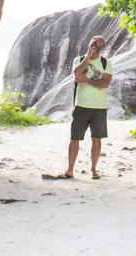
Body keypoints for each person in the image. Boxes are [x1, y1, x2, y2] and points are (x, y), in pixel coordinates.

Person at [43, 34, 113, 180]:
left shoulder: (106, 63)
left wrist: (86, 80)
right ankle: (69, 170)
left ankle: (94, 169)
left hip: (99, 107)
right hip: (81, 105)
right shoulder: (79, 60)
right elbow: (76, 72)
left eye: (99, 45)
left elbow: (105, 84)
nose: (95, 46)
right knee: (74, 138)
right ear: (89, 43)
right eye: (93, 42)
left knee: (97, 139)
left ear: (102, 48)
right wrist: (87, 57)